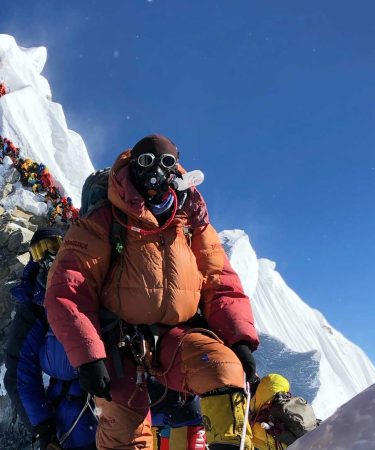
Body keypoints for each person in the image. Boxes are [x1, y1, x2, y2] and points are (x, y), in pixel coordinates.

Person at [45, 134, 260, 450]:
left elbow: (220, 283)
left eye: (165, 162)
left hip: (177, 334)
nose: (155, 171)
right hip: (118, 339)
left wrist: (238, 339)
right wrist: (88, 356)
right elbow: (70, 288)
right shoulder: (105, 219)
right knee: (124, 427)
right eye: (145, 162)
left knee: (224, 370)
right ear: (132, 167)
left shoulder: (192, 221)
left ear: (176, 170)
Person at [4, 228, 98, 450]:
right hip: (72, 421)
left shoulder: (94, 282)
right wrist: (43, 428)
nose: (48, 256)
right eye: (40, 251)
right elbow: (20, 371)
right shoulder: (36, 305)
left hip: (113, 406)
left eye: (52, 246)